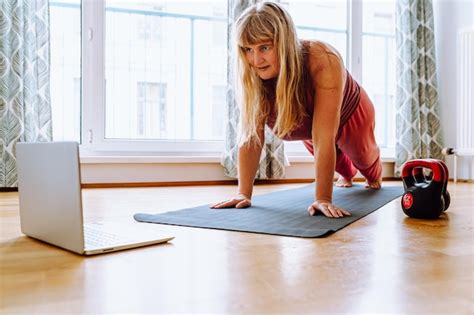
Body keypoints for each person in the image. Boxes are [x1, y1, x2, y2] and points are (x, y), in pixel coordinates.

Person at [211, 1, 382, 218]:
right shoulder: (253, 74)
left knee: (366, 164)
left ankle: (372, 174)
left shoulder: (323, 60)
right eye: (248, 49)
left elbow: (323, 137)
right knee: (345, 170)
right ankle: (348, 174)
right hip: (309, 120)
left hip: (351, 113)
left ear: (284, 42)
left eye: (264, 47)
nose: (255, 60)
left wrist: (323, 198)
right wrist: (243, 193)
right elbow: (252, 137)